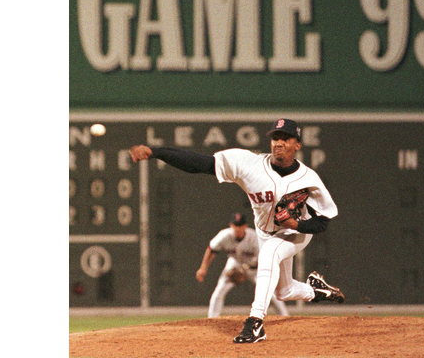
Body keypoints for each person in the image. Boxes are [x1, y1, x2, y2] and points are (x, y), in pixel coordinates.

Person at [129, 118, 345, 344]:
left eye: (285, 138)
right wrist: (155, 152)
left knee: (270, 252)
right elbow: (199, 163)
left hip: (297, 233)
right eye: (275, 138)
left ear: (297, 145)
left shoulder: (309, 178)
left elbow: (323, 221)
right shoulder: (249, 164)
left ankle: (255, 323)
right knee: (284, 291)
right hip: (265, 231)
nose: (278, 143)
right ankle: (317, 291)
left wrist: (296, 225)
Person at [196, 211, 290, 318]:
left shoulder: (254, 238)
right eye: (235, 225)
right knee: (218, 292)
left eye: (240, 225)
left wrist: (246, 269)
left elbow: (265, 258)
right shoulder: (224, 235)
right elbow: (211, 249)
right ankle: (212, 319)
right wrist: (203, 268)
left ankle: (285, 317)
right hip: (234, 264)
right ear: (231, 225)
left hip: (255, 267)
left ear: (245, 226)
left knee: (271, 294)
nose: (237, 228)